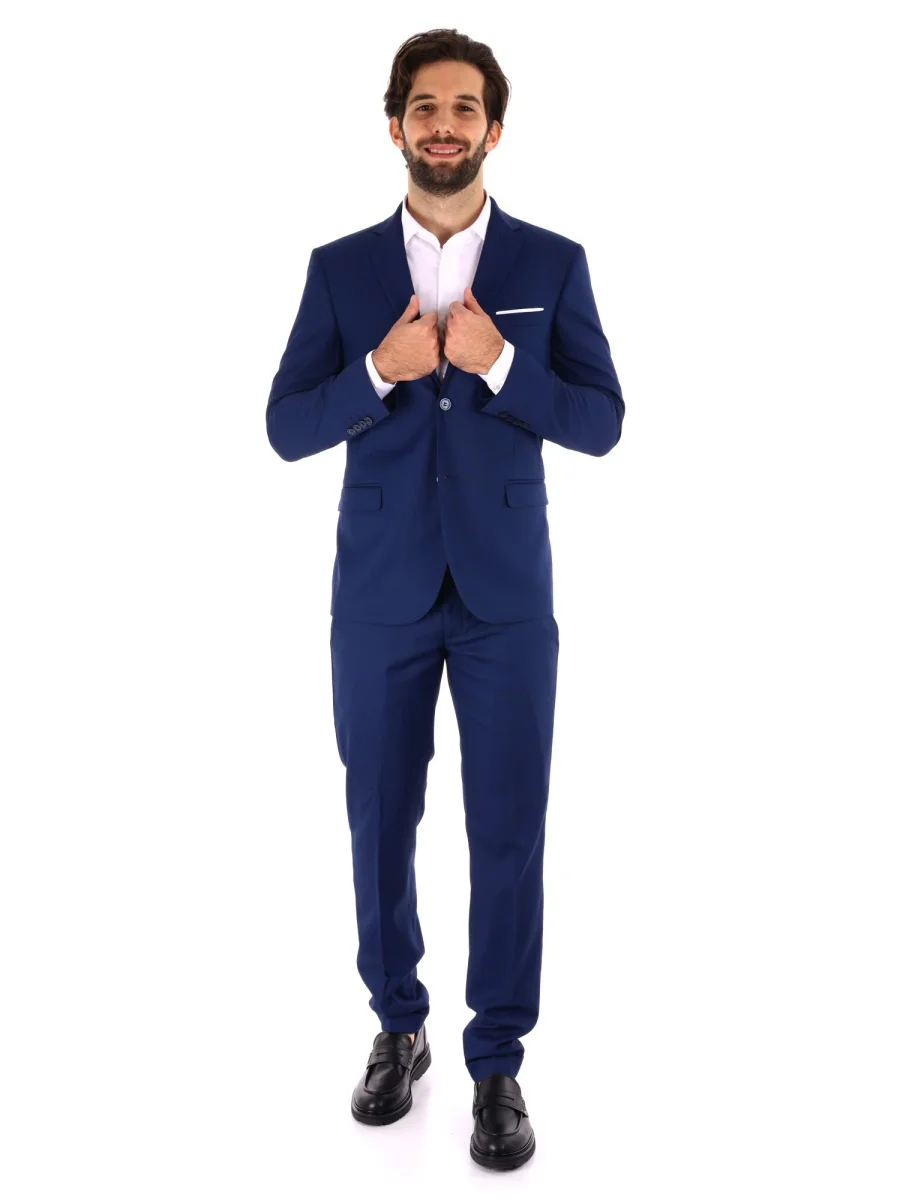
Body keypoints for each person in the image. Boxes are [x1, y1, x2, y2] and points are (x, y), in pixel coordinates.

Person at [265, 27, 624, 1170]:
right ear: (395, 126)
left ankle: (498, 1062)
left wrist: (498, 364)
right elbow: (285, 425)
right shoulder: (338, 270)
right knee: (380, 818)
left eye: (465, 108)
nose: (444, 125)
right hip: (380, 593)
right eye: (425, 106)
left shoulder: (553, 265)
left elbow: (603, 420)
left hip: (508, 596)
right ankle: (398, 1025)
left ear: (494, 130)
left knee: (509, 826)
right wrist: (382, 371)